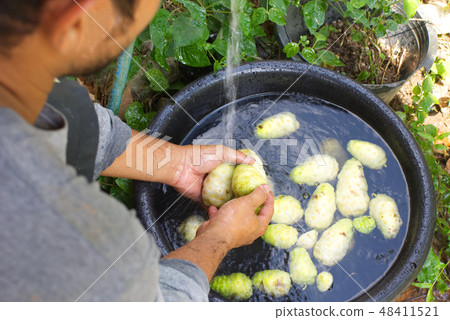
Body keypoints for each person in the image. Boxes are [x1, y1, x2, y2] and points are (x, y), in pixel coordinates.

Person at [0, 0, 274, 301]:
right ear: (76, 18)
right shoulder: (67, 237)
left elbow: (69, 121)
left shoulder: (19, 83)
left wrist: (176, 163)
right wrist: (219, 238)